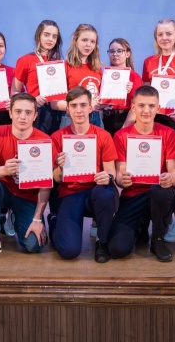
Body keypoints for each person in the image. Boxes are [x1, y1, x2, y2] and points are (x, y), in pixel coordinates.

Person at [0, 93, 53, 261]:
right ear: (10, 113)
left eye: (28, 112)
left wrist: (37, 219)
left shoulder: (45, 141)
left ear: (35, 115)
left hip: (27, 197)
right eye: (18, 111)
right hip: (1, 191)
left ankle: (16, 216)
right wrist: (2, 170)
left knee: (33, 245)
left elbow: (46, 185)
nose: (22, 117)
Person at [108, 85, 175, 262]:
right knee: (117, 249)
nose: (146, 110)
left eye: (151, 106)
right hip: (133, 196)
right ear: (133, 107)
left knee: (161, 192)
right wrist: (122, 180)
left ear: (158, 108)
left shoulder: (169, 133)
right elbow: (119, 175)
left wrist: (170, 178)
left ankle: (158, 238)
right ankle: (139, 227)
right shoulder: (121, 136)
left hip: (158, 193)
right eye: (141, 105)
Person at [49, 87, 118, 263]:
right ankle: (55, 222)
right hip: (70, 193)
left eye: (83, 105)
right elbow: (56, 178)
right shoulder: (57, 137)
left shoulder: (103, 136)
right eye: (74, 106)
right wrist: (61, 167)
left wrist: (108, 176)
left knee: (106, 193)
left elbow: (111, 171)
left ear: (90, 108)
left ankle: (102, 240)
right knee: (69, 251)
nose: (78, 110)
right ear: (67, 109)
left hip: (95, 192)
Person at [141, 19, 175, 143]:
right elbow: (144, 94)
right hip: (152, 112)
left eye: (169, 34)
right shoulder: (148, 61)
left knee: (174, 150)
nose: (164, 38)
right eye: (160, 34)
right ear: (156, 38)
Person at [12, 20, 64, 135]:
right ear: (38, 35)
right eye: (46, 35)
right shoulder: (25, 60)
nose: (50, 39)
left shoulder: (58, 63)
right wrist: (32, 99)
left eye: (54, 36)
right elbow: (14, 93)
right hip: (36, 112)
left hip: (57, 112)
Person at [52, 24, 104, 129]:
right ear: (75, 41)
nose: (88, 45)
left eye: (92, 41)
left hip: (95, 118)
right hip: (71, 118)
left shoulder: (97, 69)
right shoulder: (64, 67)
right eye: (84, 40)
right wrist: (83, 106)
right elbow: (54, 104)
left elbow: (101, 101)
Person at [102, 38, 142, 136]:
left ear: (128, 54)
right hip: (106, 118)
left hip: (123, 118)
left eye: (119, 51)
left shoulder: (134, 77)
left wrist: (124, 128)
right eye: (112, 51)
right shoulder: (105, 75)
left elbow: (135, 107)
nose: (115, 54)